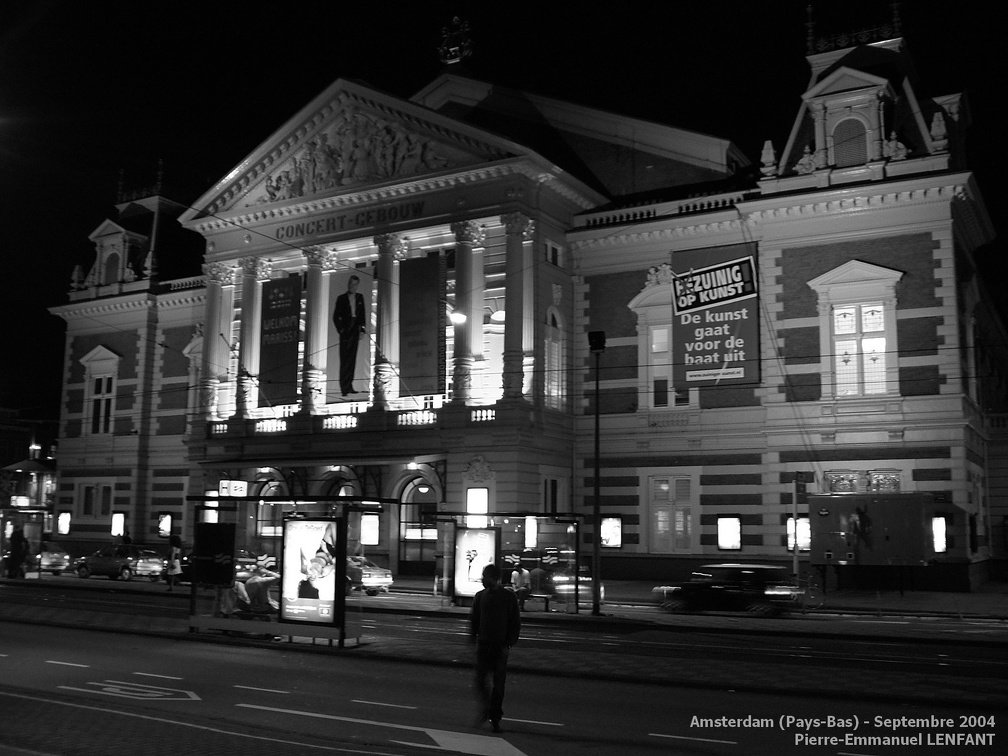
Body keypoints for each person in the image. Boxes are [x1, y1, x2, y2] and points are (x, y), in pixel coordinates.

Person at [469, 563, 520, 733]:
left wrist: (509, 643)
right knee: (480, 681)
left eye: (486, 577)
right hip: (483, 645)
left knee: (498, 685)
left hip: (499, 646)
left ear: (495, 578)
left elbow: (515, 623)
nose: (483, 580)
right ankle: (488, 709)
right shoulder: (479, 596)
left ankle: (494, 717)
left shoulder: (508, 597)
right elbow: (474, 620)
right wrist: (472, 639)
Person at [332, 274, 367, 396]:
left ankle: (349, 385)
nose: (353, 286)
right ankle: (344, 387)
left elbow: (362, 314)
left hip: (355, 329)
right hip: (346, 330)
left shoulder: (360, 297)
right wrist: (341, 329)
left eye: (355, 284)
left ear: (357, 286)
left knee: (352, 359)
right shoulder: (341, 298)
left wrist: (362, 329)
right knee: (345, 359)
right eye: (351, 284)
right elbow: (336, 316)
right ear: (348, 284)